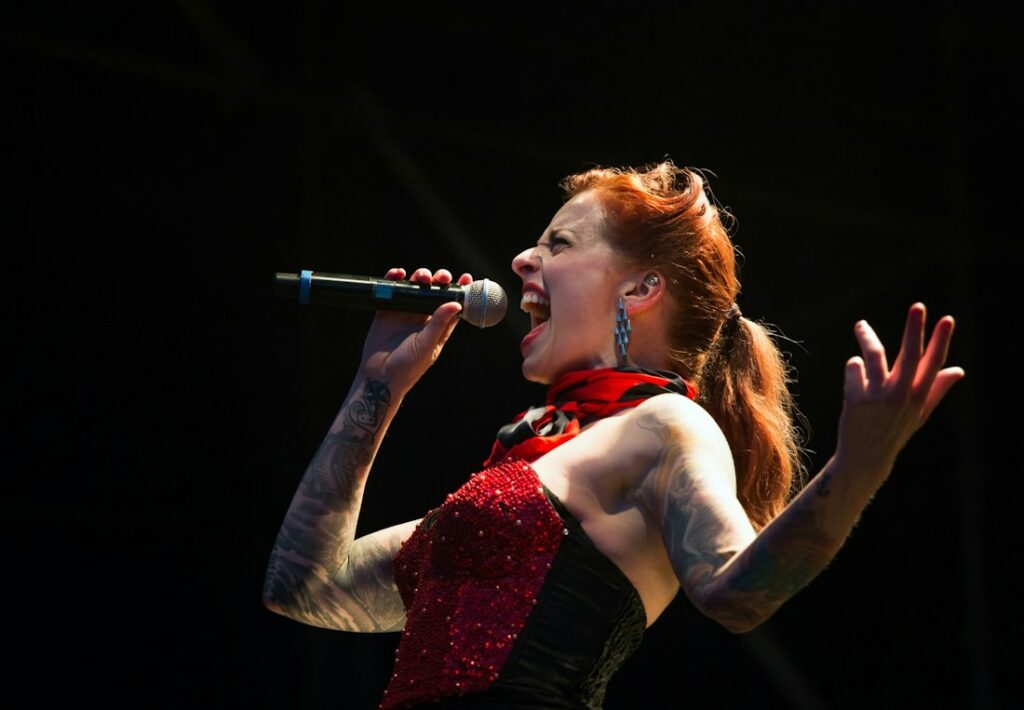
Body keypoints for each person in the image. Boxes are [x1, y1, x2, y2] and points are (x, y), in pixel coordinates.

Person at [262, 160, 964, 709]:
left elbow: (736, 592)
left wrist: (860, 466)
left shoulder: (666, 426)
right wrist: (377, 386)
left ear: (639, 291)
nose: (522, 262)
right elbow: (302, 586)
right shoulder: (532, 451)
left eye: (557, 244)